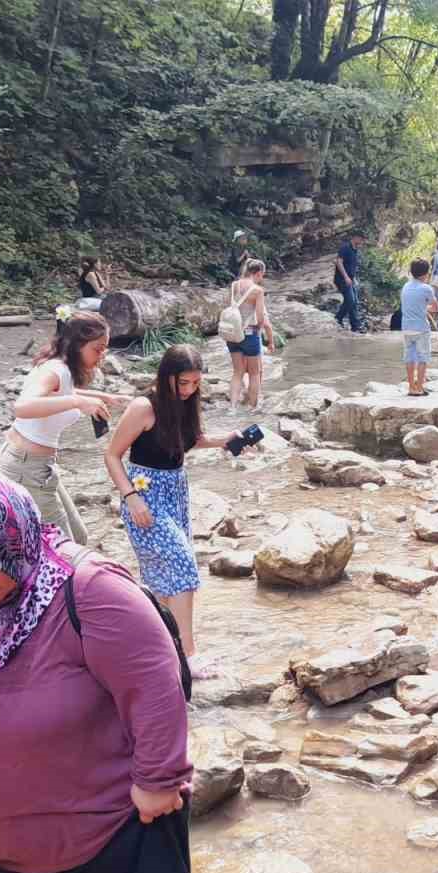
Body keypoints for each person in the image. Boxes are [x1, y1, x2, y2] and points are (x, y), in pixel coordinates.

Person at [0, 468, 194, 873]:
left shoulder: (91, 591)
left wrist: (159, 780)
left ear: (12, 544)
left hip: (112, 841)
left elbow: (156, 683)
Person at [103, 345, 259, 667]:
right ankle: (187, 656)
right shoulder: (143, 407)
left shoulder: (185, 404)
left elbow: (192, 439)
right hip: (144, 496)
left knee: (163, 578)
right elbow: (111, 455)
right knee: (183, 564)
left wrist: (226, 439)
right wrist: (131, 498)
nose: (189, 390)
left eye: (194, 383)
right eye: (183, 383)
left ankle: (159, 650)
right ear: (167, 376)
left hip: (175, 493)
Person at [0, 310, 127, 546]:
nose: (103, 355)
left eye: (105, 348)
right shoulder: (54, 370)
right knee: (64, 550)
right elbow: (23, 407)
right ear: (77, 345)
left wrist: (102, 396)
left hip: (38, 466)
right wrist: (79, 402)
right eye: (98, 349)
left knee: (78, 538)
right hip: (25, 467)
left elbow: (64, 393)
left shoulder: (63, 369)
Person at [226, 259, 275, 409]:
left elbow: (230, 307)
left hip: (232, 333)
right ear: (258, 272)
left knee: (237, 372)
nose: (262, 278)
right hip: (249, 334)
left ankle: (232, 407)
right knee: (254, 373)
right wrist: (260, 330)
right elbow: (260, 317)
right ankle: (253, 408)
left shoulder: (234, 285)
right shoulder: (257, 291)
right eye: (262, 275)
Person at [400, 259, 436, 396]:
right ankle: (419, 388)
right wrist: (425, 307)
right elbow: (435, 307)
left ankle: (411, 388)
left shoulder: (405, 286)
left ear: (412, 272)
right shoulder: (426, 288)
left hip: (406, 327)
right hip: (421, 328)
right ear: (426, 274)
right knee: (422, 358)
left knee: (409, 357)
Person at [334, 232, 367, 334]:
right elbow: (338, 262)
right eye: (361, 239)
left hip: (350, 279)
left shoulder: (355, 250)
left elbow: (352, 266)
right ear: (355, 237)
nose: (362, 241)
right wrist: (346, 277)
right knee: (350, 300)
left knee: (354, 301)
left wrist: (354, 278)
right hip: (342, 279)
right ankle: (338, 318)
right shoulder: (345, 248)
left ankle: (355, 326)